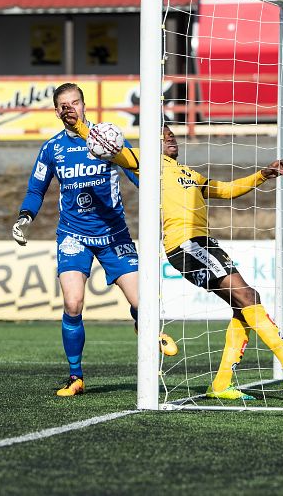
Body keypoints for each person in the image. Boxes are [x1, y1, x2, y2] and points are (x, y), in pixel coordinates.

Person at [62, 115, 283, 401]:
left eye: (171, 134)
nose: (170, 138)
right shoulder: (145, 162)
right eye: (164, 135)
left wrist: (262, 175)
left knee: (244, 305)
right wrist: (79, 124)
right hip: (185, 245)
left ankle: (222, 384)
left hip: (202, 244)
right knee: (249, 296)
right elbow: (108, 143)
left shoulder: (188, 174)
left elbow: (225, 190)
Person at [12, 83, 178, 398]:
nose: (69, 108)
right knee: (73, 303)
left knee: (143, 302)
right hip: (73, 236)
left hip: (114, 235)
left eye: (74, 102)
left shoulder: (108, 140)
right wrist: (25, 216)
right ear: (56, 110)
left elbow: (137, 174)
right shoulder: (52, 148)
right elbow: (37, 189)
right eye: (63, 104)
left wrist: (163, 199)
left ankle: (143, 324)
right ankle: (76, 376)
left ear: (84, 105)